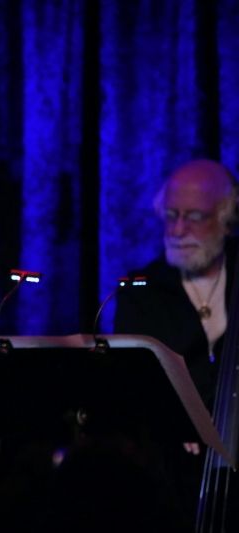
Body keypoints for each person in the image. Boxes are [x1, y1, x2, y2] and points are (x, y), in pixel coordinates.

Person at [113, 158, 239, 530]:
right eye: (171, 215)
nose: (178, 229)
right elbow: (133, 382)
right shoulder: (142, 290)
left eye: (194, 217)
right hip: (170, 471)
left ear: (226, 217)